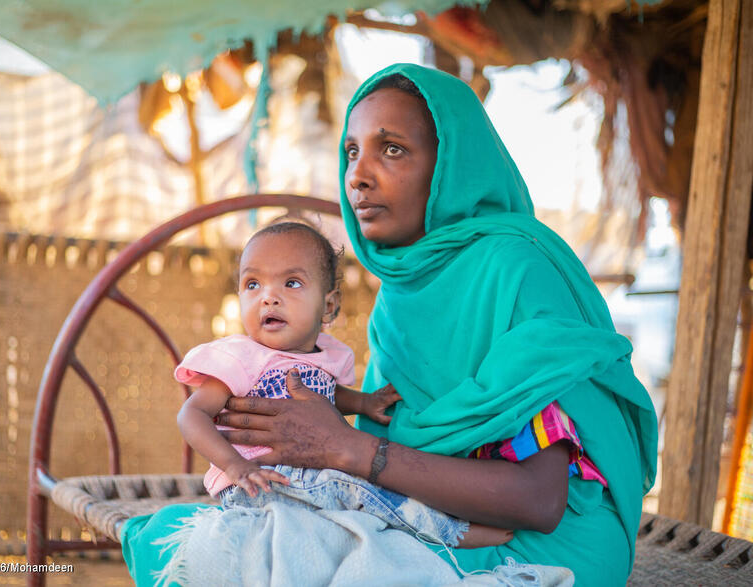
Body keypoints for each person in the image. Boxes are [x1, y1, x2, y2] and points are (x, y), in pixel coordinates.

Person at [121, 63, 657, 586]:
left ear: (450, 166)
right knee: (181, 535)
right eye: (352, 152)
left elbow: (539, 502)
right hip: (430, 523)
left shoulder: (516, 272)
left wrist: (347, 449)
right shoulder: (401, 297)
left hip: (544, 549)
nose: (358, 175)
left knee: (258, 555)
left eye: (392, 149)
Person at [174, 221, 504, 549]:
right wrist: (235, 466)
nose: (268, 297)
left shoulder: (328, 356)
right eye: (253, 284)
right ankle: (450, 532)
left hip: (312, 480)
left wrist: (363, 403)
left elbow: (325, 396)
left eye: (291, 283)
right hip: (260, 482)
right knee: (364, 493)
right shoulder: (239, 357)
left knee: (366, 500)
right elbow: (191, 415)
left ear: (328, 306)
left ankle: (418, 532)